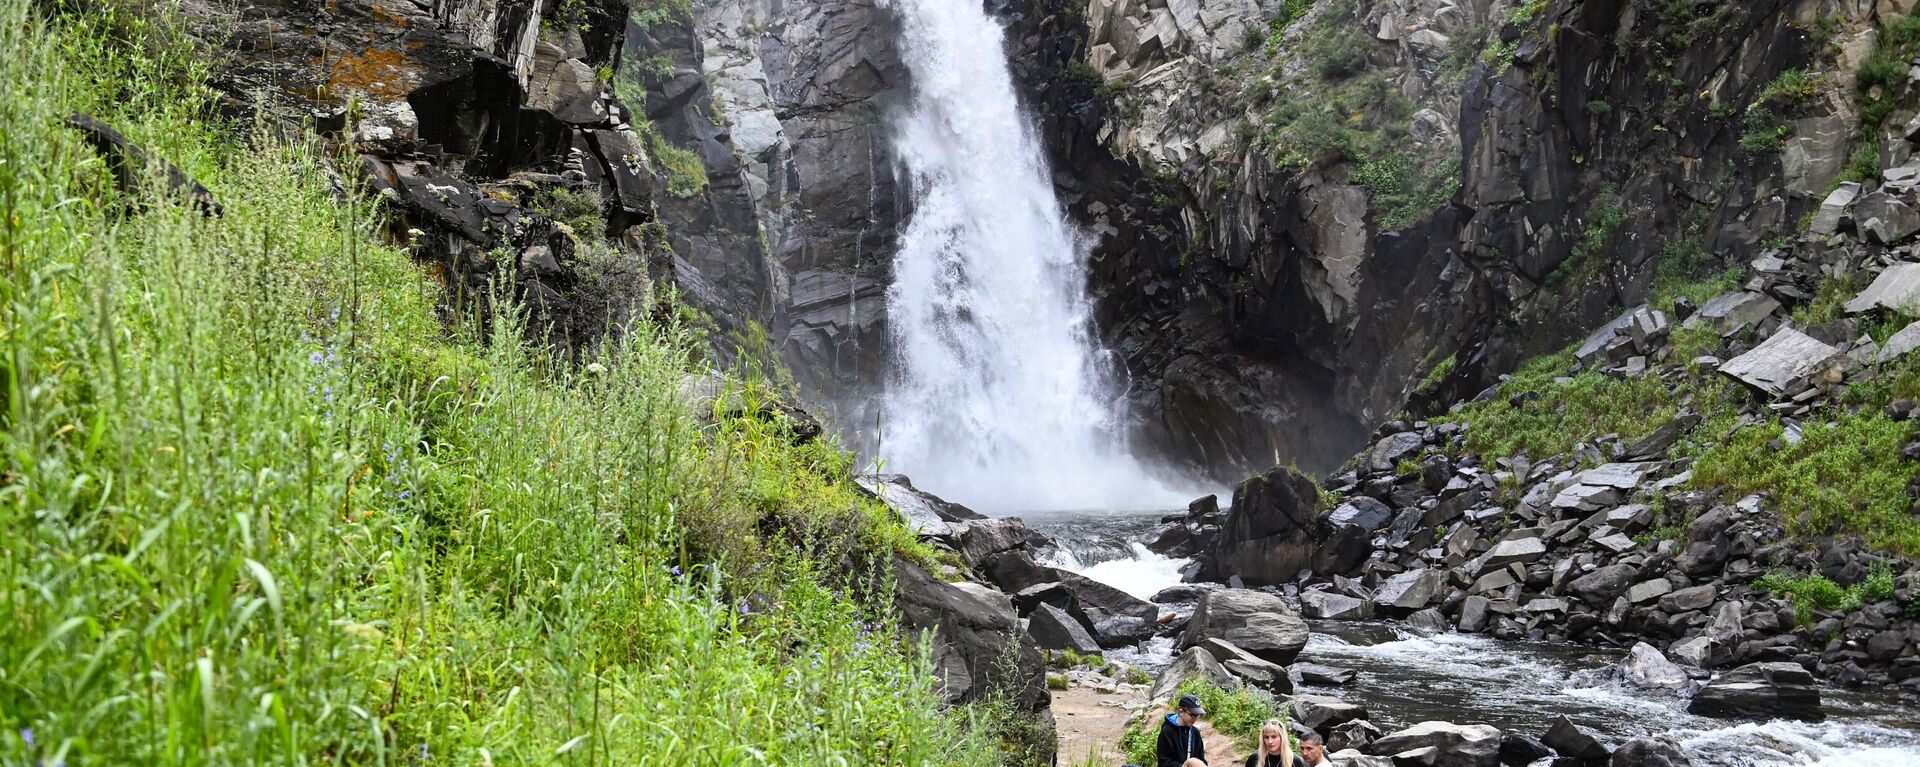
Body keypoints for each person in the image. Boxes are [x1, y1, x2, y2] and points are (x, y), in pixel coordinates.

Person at [1156, 694, 1207, 767]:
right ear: (1182, 712)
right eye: (1192, 715)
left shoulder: (1195, 732)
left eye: (1197, 715)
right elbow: (1164, 763)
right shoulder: (1167, 732)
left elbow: (1201, 758)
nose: (1195, 719)